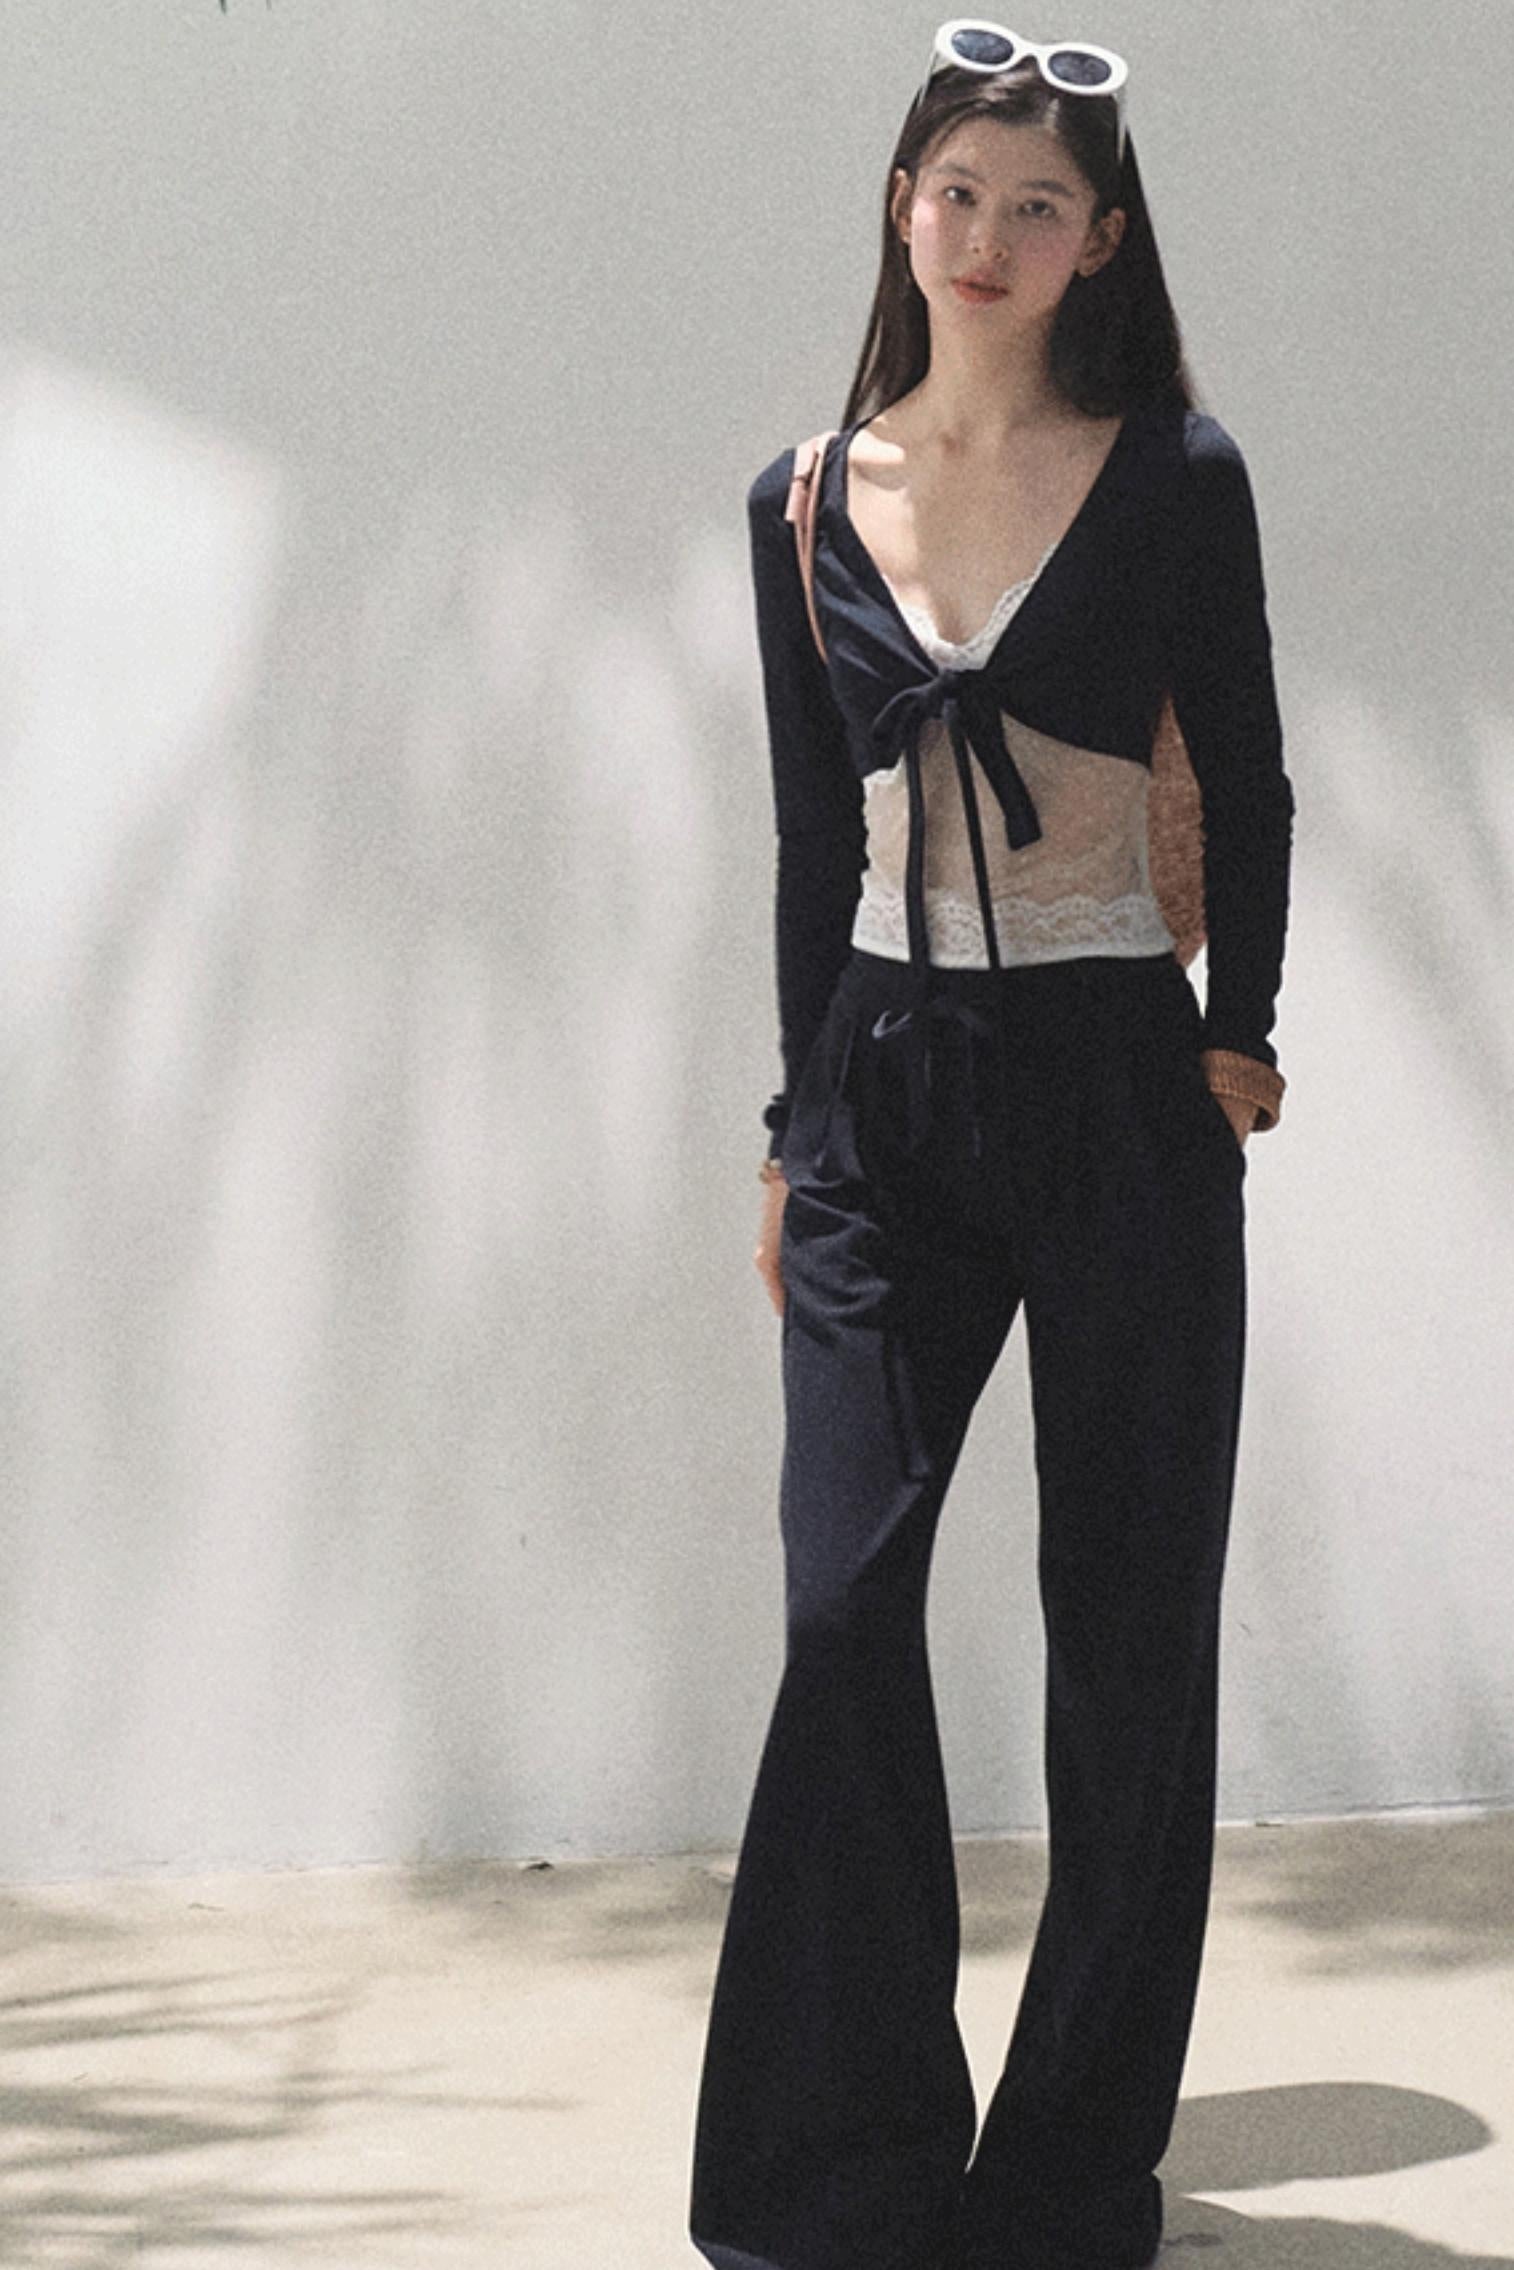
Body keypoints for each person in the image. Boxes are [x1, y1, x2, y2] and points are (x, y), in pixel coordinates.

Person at [689, 23, 1294, 2270]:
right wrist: (791, 1123)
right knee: (844, 1602)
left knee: (1126, 1634)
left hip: (1118, 1080)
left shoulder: (1176, 471)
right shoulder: (797, 498)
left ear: (1098, 243)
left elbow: (1247, 769)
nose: (988, 233)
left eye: (1038, 205)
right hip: (881, 1083)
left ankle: (1059, 2178)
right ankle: (836, 2168)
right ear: (901, 205)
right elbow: (802, 834)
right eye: (958, 190)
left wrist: (1233, 1040)